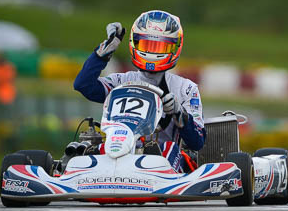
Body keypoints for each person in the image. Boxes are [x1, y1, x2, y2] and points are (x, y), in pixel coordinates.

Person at [73, 10, 205, 172]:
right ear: (134, 43)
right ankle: (91, 170)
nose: (152, 53)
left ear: (174, 47)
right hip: (118, 150)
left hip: (162, 158)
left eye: (160, 46)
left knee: (167, 148)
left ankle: (156, 172)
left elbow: (197, 142)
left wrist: (178, 113)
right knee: (88, 149)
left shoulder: (185, 88)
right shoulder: (120, 81)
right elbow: (83, 85)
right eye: (147, 45)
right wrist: (103, 53)